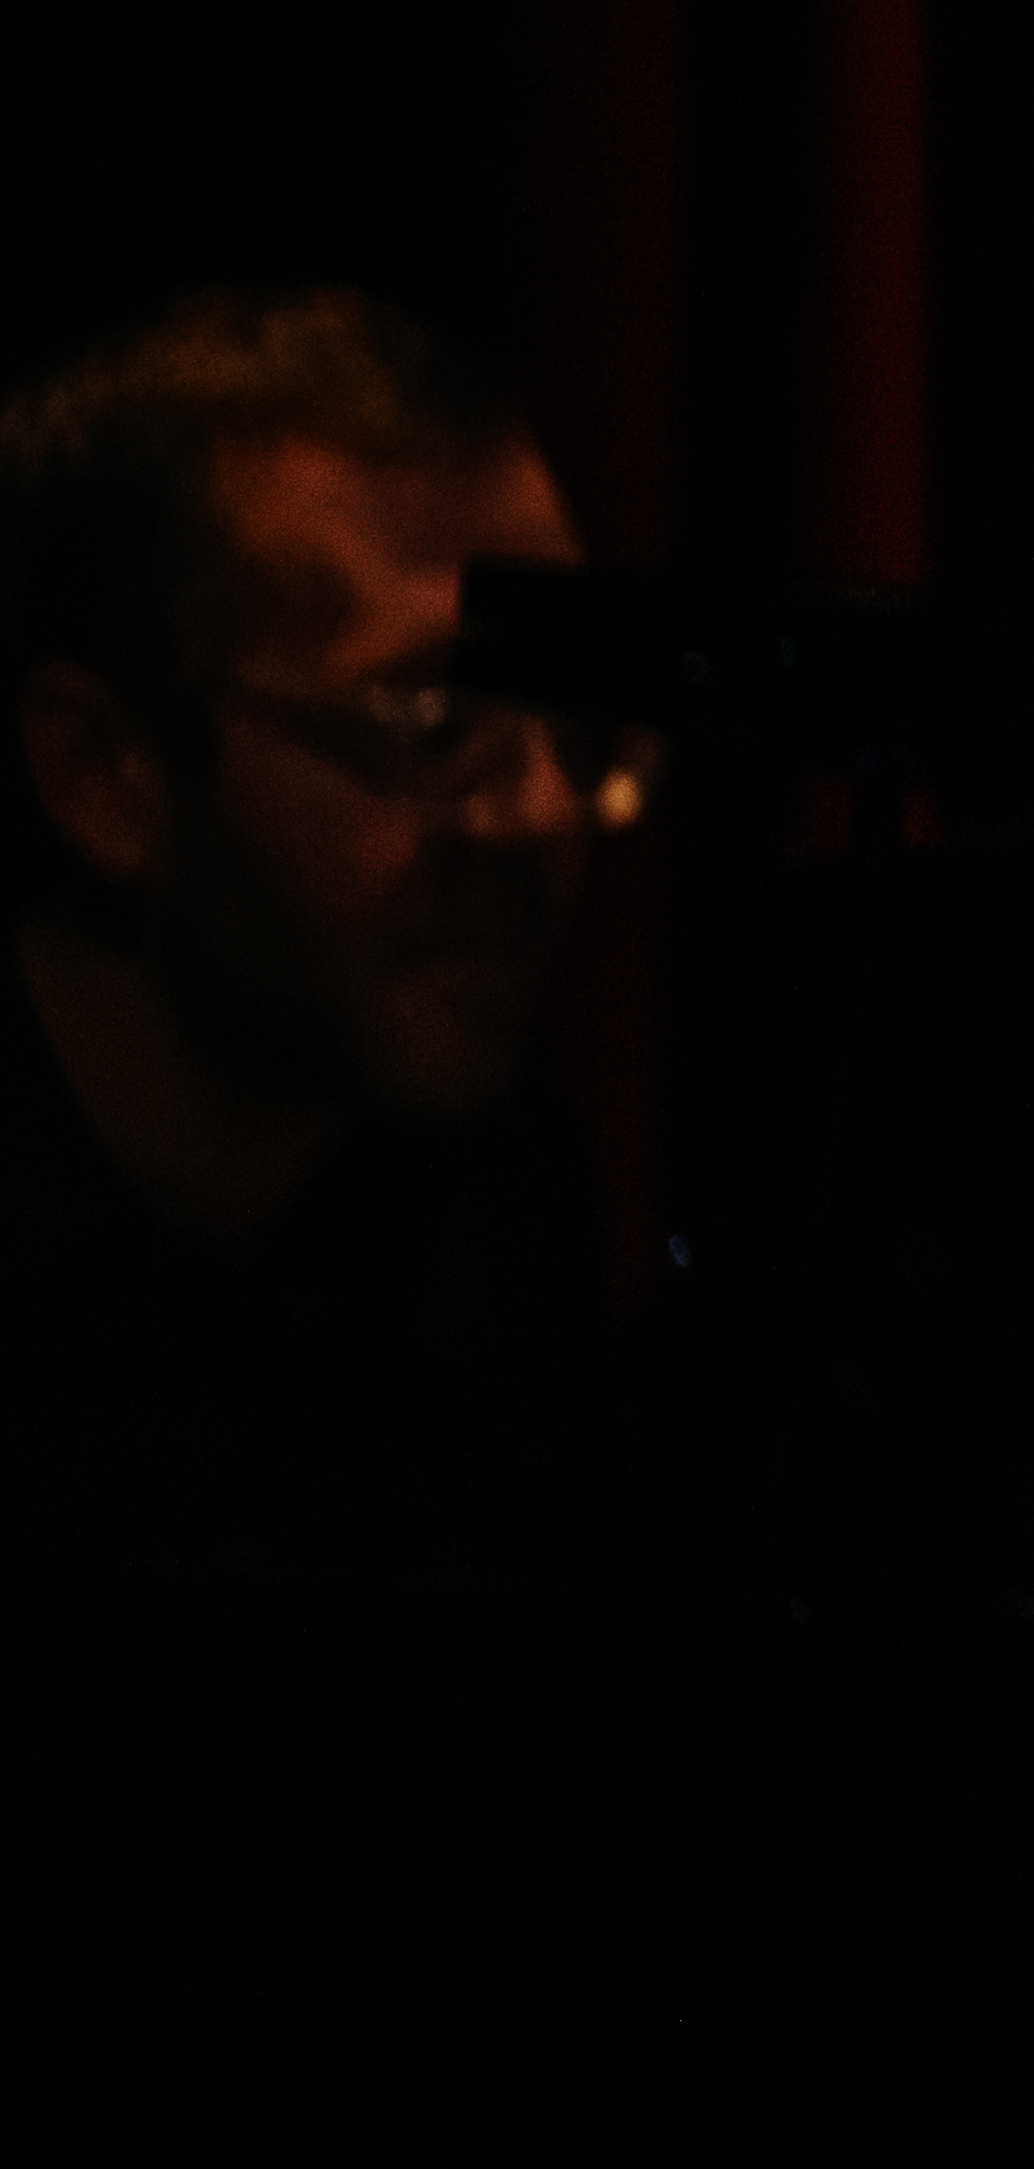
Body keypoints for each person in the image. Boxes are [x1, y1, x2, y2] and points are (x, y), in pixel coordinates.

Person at [1, 283, 633, 1593]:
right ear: (102, 772)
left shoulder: (481, 1191)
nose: (536, 815)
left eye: (570, 720)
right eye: (421, 720)